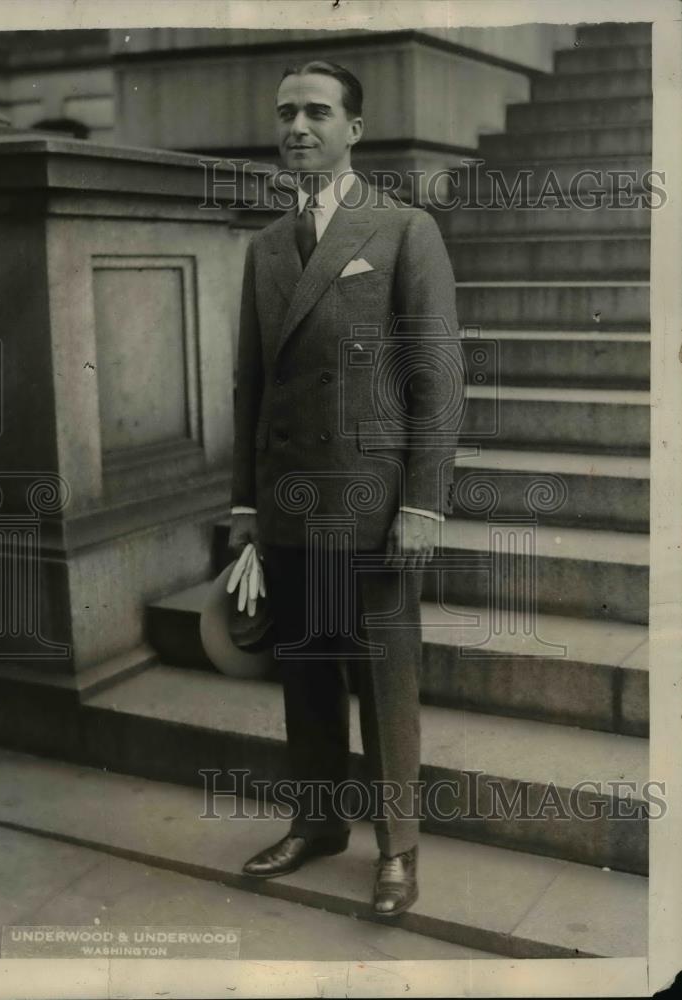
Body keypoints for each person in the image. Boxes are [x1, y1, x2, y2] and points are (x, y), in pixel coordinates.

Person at [228, 59, 463, 917]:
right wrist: (245, 504)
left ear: (353, 129)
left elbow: (436, 375)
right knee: (304, 670)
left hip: (372, 502)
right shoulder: (264, 246)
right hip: (289, 500)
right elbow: (251, 386)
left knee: (384, 679)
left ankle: (397, 847)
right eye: (286, 111)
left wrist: (423, 501)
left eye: (317, 112)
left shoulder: (402, 228)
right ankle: (318, 822)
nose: (298, 127)